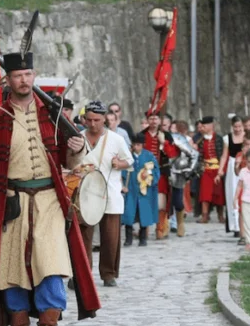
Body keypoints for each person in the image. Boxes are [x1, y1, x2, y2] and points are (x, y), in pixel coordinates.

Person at [0, 49, 100, 326]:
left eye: (28, 74)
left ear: (34, 76)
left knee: (52, 267)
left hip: (49, 201)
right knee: (12, 271)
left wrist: (77, 148)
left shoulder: (52, 115)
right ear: (8, 80)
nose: (23, 80)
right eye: (17, 76)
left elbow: (71, 162)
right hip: (11, 202)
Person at [70, 100, 133, 287]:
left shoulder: (116, 139)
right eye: (89, 120)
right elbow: (68, 163)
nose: (92, 124)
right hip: (85, 192)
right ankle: (81, 275)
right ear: (84, 119)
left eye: (96, 120)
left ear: (104, 118)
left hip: (110, 192)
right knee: (83, 237)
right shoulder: (78, 138)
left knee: (110, 237)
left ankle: (108, 274)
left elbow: (129, 160)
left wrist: (119, 164)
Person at [140, 111, 178, 239]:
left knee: (161, 202)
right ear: (147, 120)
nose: (154, 121)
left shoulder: (166, 135)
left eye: (156, 118)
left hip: (161, 173)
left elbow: (172, 154)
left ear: (160, 120)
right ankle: (144, 230)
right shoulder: (142, 135)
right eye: (151, 118)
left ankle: (160, 229)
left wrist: (163, 143)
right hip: (144, 173)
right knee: (145, 201)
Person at [122, 133, 159, 247]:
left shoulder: (149, 156)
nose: (136, 147)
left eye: (138, 145)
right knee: (129, 213)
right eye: (134, 144)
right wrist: (123, 185)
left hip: (144, 189)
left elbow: (155, 170)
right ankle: (128, 239)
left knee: (144, 213)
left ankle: (143, 238)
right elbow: (122, 171)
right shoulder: (128, 156)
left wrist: (149, 175)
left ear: (142, 145)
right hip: (131, 188)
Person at [219, 116, 245, 237]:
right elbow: (224, 155)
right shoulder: (227, 138)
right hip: (232, 165)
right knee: (233, 194)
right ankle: (235, 226)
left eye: (239, 126)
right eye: (235, 127)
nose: (238, 129)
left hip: (245, 164)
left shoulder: (247, 136)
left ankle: (245, 224)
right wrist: (220, 170)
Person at [198, 116, 225, 223]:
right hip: (206, 169)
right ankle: (205, 215)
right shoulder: (201, 140)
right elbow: (199, 155)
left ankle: (220, 216)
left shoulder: (219, 139)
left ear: (210, 126)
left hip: (217, 169)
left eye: (204, 125)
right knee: (205, 193)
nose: (202, 127)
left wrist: (221, 170)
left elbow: (222, 154)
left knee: (218, 194)